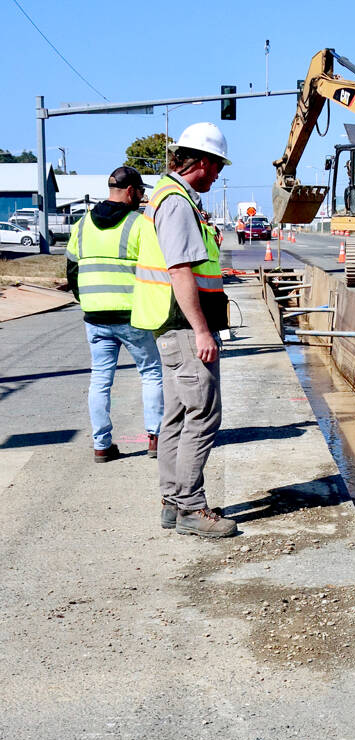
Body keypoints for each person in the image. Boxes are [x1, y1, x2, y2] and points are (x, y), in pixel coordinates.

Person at [131, 122, 237, 538]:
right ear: (203, 162)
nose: (217, 176)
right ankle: (192, 507)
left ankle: (173, 503)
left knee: (176, 417)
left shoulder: (167, 197)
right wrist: (202, 331)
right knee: (204, 414)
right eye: (217, 168)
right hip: (183, 327)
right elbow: (180, 271)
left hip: (171, 328)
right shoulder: (176, 203)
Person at [65, 166, 163, 463]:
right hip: (132, 314)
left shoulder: (81, 224)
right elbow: (157, 269)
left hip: (95, 316)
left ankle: (101, 446)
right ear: (131, 191)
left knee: (100, 379)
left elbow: (71, 270)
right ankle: (156, 439)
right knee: (151, 373)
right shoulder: (139, 224)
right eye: (141, 192)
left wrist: (87, 300)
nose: (142, 196)